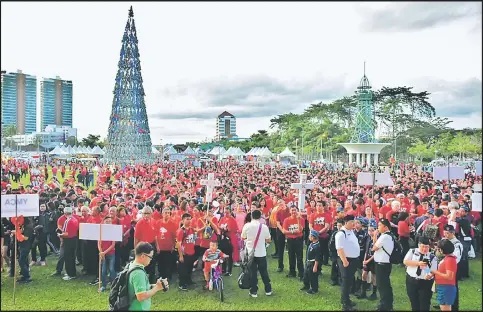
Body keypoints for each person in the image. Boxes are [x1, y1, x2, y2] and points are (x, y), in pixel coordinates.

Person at [127, 242, 168, 311]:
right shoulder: (138, 273)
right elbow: (141, 296)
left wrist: (156, 285)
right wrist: (157, 288)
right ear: (143, 256)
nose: (151, 260)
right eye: (150, 257)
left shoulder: (132, 265)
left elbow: (138, 286)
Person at [241, 209, 272, 298]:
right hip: (261, 252)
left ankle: (253, 291)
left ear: (251, 216)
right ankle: (268, 290)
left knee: (252, 273)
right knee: (264, 272)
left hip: (250, 253)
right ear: (260, 216)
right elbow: (268, 239)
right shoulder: (264, 227)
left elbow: (243, 237)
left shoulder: (247, 226)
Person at [403, 236, 438, 311]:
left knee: (424, 304)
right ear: (419, 245)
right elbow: (405, 261)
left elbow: (433, 271)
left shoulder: (432, 257)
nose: (425, 249)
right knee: (414, 302)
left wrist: (429, 275)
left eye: (427, 247)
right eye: (423, 247)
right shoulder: (412, 252)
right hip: (411, 280)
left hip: (425, 282)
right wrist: (418, 263)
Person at [335, 215, 360, 311]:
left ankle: (345, 299)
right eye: (351, 222)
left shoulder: (350, 231)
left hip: (353, 260)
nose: (353, 224)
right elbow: (339, 249)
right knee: (346, 282)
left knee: (349, 281)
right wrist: (345, 261)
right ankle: (346, 305)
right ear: (346, 223)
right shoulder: (341, 233)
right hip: (346, 260)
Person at [371, 218, 394, 311]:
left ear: (385, 227)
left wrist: (375, 235)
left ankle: (384, 305)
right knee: (385, 284)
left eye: (380, 225)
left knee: (382, 285)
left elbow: (374, 248)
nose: (378, 227)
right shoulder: (387, 235)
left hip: (382, 264)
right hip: (384, 263)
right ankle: (387, 304)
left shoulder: (384, 236)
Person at [430, 239, 458, 311]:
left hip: (446, 287)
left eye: (439, 249)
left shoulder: (450, 260)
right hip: (443, 286)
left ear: (442, 250)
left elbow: (449, 276)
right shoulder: (447, 258)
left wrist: (435, 272)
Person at [443, 224, 463, 312]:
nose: (446, 235)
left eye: (448, 233)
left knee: (452, 288)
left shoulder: (457, 244)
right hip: (444, 267)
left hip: (452, 269)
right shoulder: (445, 240)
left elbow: (456, 258)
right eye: (445, 233)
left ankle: (454, 307)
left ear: (453, 233)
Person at [56, 206, 79, 281]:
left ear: (65, 213)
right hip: (74, 239)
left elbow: (65, 233)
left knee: (68, 258)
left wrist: (60, 235)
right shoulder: (75, 219)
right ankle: (73, 273)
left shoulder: (67, 221)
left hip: (68, 240)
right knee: (72, 257)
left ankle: (70, 274)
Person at [282, 206, 305, 280]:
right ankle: (292, 272)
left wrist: (298, 220)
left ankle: (301, 273)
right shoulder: (286, 220)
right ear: (290, 211)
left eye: (295, 210)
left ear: (297, 211)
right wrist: (292, 232)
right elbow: (284, 231)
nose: (293, 212)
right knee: (291, 256)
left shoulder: (301, 219)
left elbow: (300, 230)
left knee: (299, 257)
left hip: (298, 239)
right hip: (290, 240)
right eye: (292, 210)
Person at [176, 213, 197, 291]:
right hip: (185, 254)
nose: (189, 221)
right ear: (183, 220)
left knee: (189, 268)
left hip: (191, 253)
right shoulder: (181, 231)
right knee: (183, 270)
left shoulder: (191, 229)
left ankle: (188, 281)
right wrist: (181, 255)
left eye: (190, 219)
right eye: (187, 219)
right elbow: (178, 244)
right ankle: (182, 284)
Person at [98, 215, 116, 292]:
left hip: (111, 253)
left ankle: (113, 285)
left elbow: (113, 245)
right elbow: (99, 243)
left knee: (111, 269)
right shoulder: (101, 231)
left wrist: (104, 252)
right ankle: (104, 286)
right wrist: (101, 252)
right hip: (103, 254)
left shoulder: (113, 231)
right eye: (106, 221)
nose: (108, 222)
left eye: (109, 221)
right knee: (103, 270)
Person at [300, 229, 321, 295]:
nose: (309, 237)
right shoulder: (311, 243)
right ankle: (306, 285)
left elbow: (317, 258)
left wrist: (315, 266)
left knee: (313, 277)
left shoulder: (317, 246)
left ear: (313, 237)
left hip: (312, 263)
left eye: (310, 235)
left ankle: (314, 289)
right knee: (306, 275)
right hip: (308, 262)